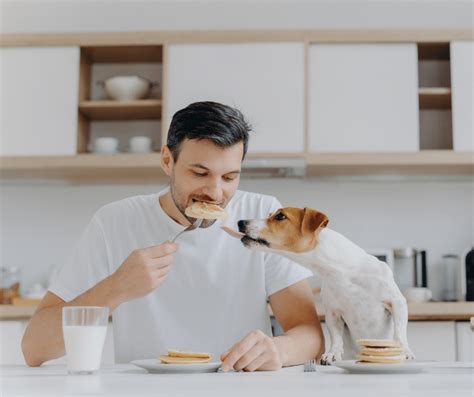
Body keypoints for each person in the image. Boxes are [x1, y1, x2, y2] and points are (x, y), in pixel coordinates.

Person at [22, 101, 324, 371]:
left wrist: (278, 350)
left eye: (230, 177)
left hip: (237, 387)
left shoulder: (263, 215)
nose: (216, 193)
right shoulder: (114, 222)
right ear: (168, 161)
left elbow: (310, 335)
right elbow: (34, 349)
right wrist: (117, 288)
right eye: (200, 173)